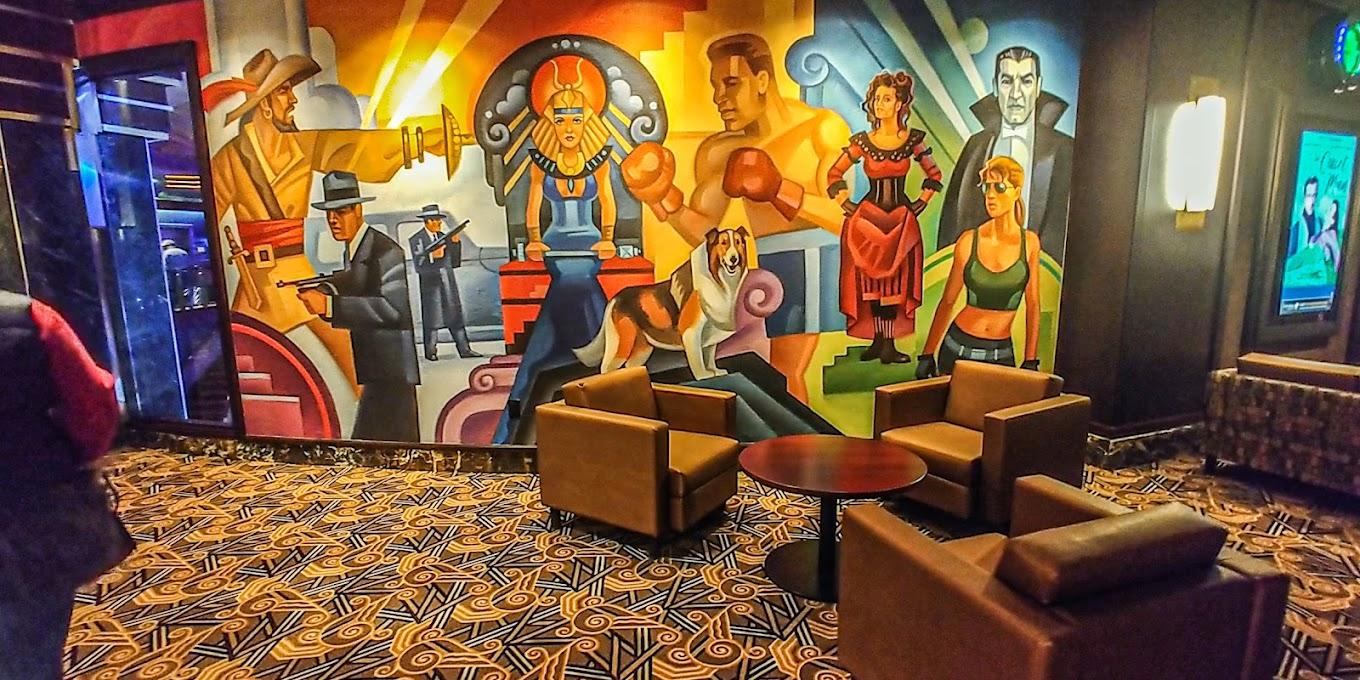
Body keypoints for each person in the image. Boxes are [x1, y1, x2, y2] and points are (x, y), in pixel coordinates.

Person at [620, 33, 852, 400]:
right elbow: (706, 233)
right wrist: (662, 199)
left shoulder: (819, 129)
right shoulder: (720, 151)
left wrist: (779, 189)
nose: (719, 98)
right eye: (715, 87)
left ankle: (799, 435)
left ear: (762, 80)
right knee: (760, 368)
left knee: (786, 370)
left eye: (731, 83)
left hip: (816, 257)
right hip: (759, 266)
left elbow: (846, 218)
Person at [205, 48, 445, 387]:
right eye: (283, 91)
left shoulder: (304, 147)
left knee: (357, 371)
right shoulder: (229, 160)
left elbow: (358, 150)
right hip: (257, 288)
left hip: (298, 277)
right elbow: (204, 223)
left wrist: (423, 140)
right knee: (241, 371)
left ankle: (372, 417)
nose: (293, 100)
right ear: (264, 104)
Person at [0, 291, 126, 680]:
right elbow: (95, 407)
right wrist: (63, 453)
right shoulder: (28, 317)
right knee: (30, 652)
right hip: (30, 516)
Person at [495, 56, 621, 443]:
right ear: (551, 122)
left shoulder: (599, 161)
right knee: (572, 283)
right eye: (561, 119)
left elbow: (607, 202)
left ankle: (569, 359)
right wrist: (534, 239)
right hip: (555, 246)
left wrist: (608, 237)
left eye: (576, 119)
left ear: (587, 122)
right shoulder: (541, 162)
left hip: (589, 245)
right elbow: (534, 205)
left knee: (579, 282)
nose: (568, 128)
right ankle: (587, 354)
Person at [826, 71, 942, 364]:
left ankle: (888, 342)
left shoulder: (912, 140)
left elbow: (934, 174)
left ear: (899, 103)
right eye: (877, 98)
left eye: (886, 99)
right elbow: (834, 173)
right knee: (871, 286)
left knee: (895, 285)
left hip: (900, 222)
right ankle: (879, 341)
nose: (879, 104)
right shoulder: (863, 142)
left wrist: (920, 204)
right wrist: (846, 204)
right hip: (867, 222)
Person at [296, 172, 420, 441]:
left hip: (391, 374)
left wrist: (329, 305)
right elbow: (356, 282)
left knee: (387, 447)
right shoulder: (357, 248)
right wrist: (325, 288)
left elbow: (392, 309)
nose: (333, 220)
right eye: (329, 214)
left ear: (358, 210)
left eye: (341, 212)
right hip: (378, 371)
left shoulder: (386, 251)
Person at [938, 46, 1074, 264]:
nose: (1016, 94)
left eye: (1026, 81)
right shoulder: (976, 146)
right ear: (995, 86)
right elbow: (951, 222)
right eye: (1007, 81)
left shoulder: (1063, 150)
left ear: (1038, 87)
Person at [918, 156, 1041, 377]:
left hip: (1001, 353)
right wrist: (927, 355)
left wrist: (1030, 359)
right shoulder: (969, 241)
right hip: (957, 347)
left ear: (1016, 192)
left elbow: (1033, 304)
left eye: (999, 187)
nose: (990, 195)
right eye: (987, 187)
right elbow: (948, 301)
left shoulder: (1030, 243)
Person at [408, 204, 480, 360]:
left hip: (447, 283)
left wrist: (455, 244)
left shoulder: (443, 237)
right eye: (435, 220)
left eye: (439, 220)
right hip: (431, 286)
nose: (439, 223)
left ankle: (464, 350)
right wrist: (432, 256)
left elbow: (454, 263)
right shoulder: (416, 239)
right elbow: (418, 266)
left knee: (455, 317)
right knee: (432, 320)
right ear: (427, 221)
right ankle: (430, 352)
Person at [1290, 177, 1320, 258]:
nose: (1312, 200)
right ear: (1304, 196)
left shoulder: (1319, 221)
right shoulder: (1296, 221)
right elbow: (1291, 252)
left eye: (1314, 195)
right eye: (1309, 195)